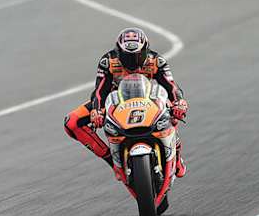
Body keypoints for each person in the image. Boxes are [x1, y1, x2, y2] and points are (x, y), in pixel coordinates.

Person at [64, 27, 189, 179]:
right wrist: (97, 110)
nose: (133, 62)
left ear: (146, 50)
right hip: (116, 101)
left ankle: (175, 153)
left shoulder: (157, 61)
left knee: (173, 114)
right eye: (127, 56)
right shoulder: (108, 61)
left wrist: (179, 102)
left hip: (149, 98)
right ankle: (111, 159)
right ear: (118, 52)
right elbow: (99, 91)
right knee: (72, 122)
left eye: (137, 56)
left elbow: (172, 87)